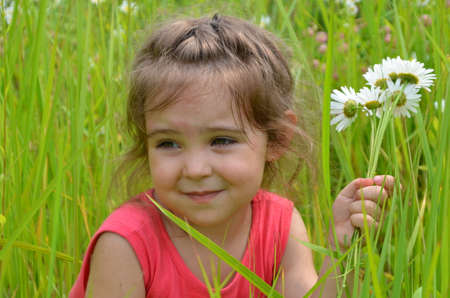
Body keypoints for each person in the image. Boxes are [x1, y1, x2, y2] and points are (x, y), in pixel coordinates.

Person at [69, 14, 395, 298]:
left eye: (221, 140)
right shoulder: (127, 244)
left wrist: (338, 248)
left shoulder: (280, 226)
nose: (195, 169)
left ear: (278, 138)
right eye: (168, 143)